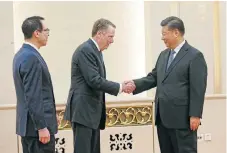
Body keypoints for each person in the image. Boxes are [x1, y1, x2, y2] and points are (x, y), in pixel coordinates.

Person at [125, 16, 207, 153]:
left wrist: (195, 115)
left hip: (182, 119)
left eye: (164, 34)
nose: (162, 38)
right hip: (162, 117)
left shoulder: (195, 56)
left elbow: (198, 88)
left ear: (176, 32)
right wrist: (135, 84)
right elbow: (154, 78)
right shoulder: (163, 55)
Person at [63, 18, 134, 153]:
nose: (112, 41)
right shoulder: (86, 50)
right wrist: (120, 87)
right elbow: (94, 80)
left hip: (91, 113)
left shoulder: (96, 52)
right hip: (83, 111)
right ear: (99, 34)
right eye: (110, 36)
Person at [13, 16, 58, 153]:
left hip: (29, 127)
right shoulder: (31, 57)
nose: (48, 34)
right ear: (36, 33)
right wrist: (41, 127)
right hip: (37, 130)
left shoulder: (21, 54)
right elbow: (33, 95)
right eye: (46, 30)